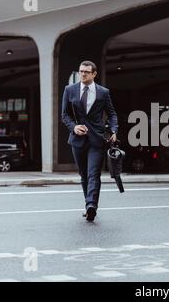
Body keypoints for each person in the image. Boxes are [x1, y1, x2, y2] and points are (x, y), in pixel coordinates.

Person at [62, 60, 118, 222]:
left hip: (97, 139)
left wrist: (113, 130)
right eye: (81, 71)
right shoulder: (69, 90)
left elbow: (112, 114)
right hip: (77, 140)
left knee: (94, 173)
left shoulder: (103, 92)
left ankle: (91, 205)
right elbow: (64, 115)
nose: (83, 74)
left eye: (87, 72)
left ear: (94, 74)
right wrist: (74, 127)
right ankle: (89, 204)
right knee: (84, 175)